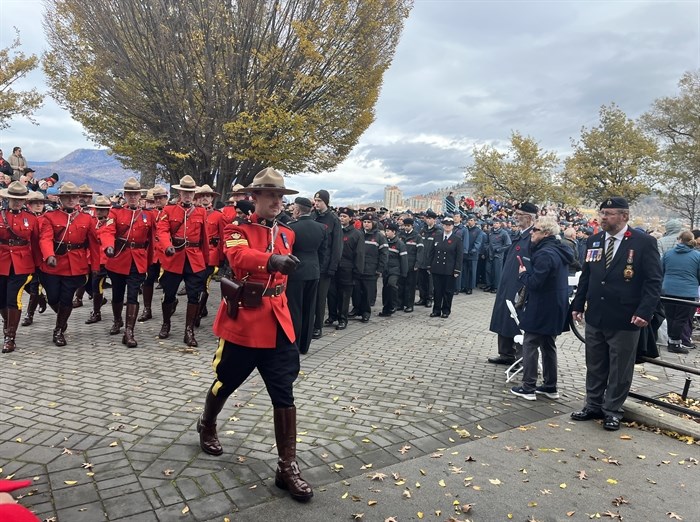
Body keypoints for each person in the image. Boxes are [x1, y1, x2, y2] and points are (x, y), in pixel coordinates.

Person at [198, 167, 313, 502]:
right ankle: (207, 424)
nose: (277, 201)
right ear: (256, 198)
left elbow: (284, 278)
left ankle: (286, 466)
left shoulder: (288, 234)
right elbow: (238, 256)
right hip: (244, 323)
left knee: (284, 392)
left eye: (281, 196)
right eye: (270, 195)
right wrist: (272, 260)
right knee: (226, 381)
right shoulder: (237, 229)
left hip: (277, 322)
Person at [571, 197, 662, 431]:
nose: (603, 217)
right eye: (602, 212)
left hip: (626, 316)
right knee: (595, 364)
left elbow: (653, 281)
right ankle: (592, 405)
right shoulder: (594, 240)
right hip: (596, 315)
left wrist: (645, 311)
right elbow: (587, 276)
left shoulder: (643, 242)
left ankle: (612, 410)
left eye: (609, 213)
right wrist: (578, 304)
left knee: (620, 368)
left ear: (624, 216)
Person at [509, 216, 573, 401]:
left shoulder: (545, 253)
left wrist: (523, 275)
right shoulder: (559, 249)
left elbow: (536, 282)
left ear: (546, 233)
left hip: (543, 306)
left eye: (535, 230)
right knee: (548, 345)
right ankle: (550, 386)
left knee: (530, 343)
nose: (531, 232)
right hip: (556, 305)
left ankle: (528, 387)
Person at [38, 182, 100, 346]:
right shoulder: (49, 217)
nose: (71, 200)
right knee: (53, 297)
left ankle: (59, 329)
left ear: (78, 198)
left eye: (74, 197)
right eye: (67, 197)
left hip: (75, 264)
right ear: (61, 199)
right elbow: (45, 238)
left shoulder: (87, 219)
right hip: (54, 264)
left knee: (66, 299)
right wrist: (49, 255)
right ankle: (62, 318)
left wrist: (95, 266)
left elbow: (94, 244)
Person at [101, 178, 156, 347]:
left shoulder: (148, 215)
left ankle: (129, 332)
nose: (133, 197)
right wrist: (108, 246)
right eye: (129, 194)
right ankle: (118, 320)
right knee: (117, 293)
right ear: (125, 195)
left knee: (132, 294)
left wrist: (150, 262)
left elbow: (151, 240)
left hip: (137, 259)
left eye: (135, 194)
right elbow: (108, 231)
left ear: (140, 196)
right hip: (119, 258)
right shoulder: (115, 212)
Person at [156, 175, 209, 347]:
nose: (187, 195)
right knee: (169, 294)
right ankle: (166, 323)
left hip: (194, 259)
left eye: (190, 192)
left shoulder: (201, 211)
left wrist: (206, 261)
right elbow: (162, 231)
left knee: (194, 296)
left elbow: (205, 239)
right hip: (174, 257)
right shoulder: (169, 211)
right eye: (185, 192)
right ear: (180, 192)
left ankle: (189, 330)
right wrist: (167, 246)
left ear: (194, 194)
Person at [487, 202, 538, 365]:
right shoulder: (518, 235)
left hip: (520, 285)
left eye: (519, 214)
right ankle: (505, 353)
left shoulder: (533, 237)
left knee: (517, 319)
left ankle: (520, 357)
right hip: (507, 283)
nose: (515, 217)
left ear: (529, 218)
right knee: (504, 317)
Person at [0, 182, 40, 353]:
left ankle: (10, 337)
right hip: (2, 260)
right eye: (14, 199)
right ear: (8, 199)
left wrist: (39, 265)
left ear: (25, 200)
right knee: (1, 299)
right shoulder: (1, 216)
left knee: (13, 298)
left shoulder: (31, 219)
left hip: (22, 263)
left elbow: (36, 244)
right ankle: (7, 323)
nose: (17, 202)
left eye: (20, 199)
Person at [287, 197, 329, 354]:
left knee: (295, 308)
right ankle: (305, 345)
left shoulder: (292, 227)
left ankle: (294, 343)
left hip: (296, 271)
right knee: (310, 308)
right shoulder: (321, 228)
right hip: (314, 270)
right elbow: (323, 252)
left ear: (297, 210)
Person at [661, 230, 700, 354]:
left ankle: (671, 341)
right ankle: (675, 343)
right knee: (681, 318)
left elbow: (660, 270)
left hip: (668, 290)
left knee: (670, 317)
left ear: (679, 240)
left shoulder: (668, 254)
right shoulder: (697, 256)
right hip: (687, 292)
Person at [311, 189, 342, 339]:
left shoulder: (333, 219)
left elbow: (337, 246)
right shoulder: (312, 216)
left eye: (319, 201)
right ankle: (309, 325)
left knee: (320, 298)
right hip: (312, 262)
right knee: (310, 297)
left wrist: (332, 266)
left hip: (325, 265)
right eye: (315, 201)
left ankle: (318, 326)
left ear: (326, 202)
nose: (316, 203)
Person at [327, 207, 364, 330]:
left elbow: (359, 254)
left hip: (347, 269)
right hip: (334, 267)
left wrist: (357, 271)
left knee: (344, 296)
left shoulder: (356, 234)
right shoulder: (335, 231)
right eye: (340, 216)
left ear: (350, 218)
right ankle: (332, 316)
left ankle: (343, 319)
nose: (342, 218)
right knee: (331, 293)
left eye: (344, 216)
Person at [194, 184, 225, 326]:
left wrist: (222, 258)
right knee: (195, 284)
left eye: (207, 195)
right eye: (202, 196)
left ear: (212, 198)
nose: (205, 198)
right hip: (195, 253)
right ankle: (201, 307)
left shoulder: (219, 216)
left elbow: (223, 237)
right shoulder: (193, 213)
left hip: (211, 254)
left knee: (203, 284)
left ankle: (197, 315)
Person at [138, 185, 169, 322]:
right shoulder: (147, 213)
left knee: (167, 282)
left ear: (166, 198)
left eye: (160, 198)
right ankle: (147, 309)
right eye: (154, 199)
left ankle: (170, 302)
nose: (157, 201)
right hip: (152, 252)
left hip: (166, 252)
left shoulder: (172, 211)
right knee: (148, 280)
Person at [20, 191, 48, 327]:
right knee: (23, 283)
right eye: (35, 203)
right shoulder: (24, 217)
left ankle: (29, 314)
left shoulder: (47, 219)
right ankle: (41, 298)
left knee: (35, 285)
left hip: (40, 257)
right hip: (23, 256)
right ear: (28, 204)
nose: (38, 205)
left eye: (41, 202)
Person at [84, 196, 112, 325]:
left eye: (103, 209)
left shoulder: (111, 222)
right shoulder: (91, 221)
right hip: (92, 257)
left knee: (97, 285)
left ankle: (96, 312)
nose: (100, 212)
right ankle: (99, 302)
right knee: (86, 284)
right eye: (98, 209)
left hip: (106, 258)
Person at [429, 216, 463, 318]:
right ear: (442, 225)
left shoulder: (457, 239)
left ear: (453, 226)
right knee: (437, 291)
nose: (447, 227)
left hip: (449, 270)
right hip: (437, 268)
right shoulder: (437, 236)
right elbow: (431, 253)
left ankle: (446, 310)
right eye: (445, 225)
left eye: (449, 225)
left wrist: (457, 269)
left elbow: (459, 256)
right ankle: (436, 310)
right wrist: (430, 265)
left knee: (448, 291)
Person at [357, 213, 388, 322]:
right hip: (358, 268)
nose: (366, 224)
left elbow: (384, 254)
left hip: (371, 269)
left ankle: (366, 312)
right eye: (364, 222)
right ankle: (357, 309)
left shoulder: (379, 236)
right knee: (356, 291)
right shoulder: (359, 234)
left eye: (369, 222)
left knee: (367, 292)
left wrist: (380, 269)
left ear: (374, 223)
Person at [379, 222, 407, 317]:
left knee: (391, 285)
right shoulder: (384, 241)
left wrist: (404, 273)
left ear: (394, 232)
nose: (386, 233)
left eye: (388, 231)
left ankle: (394, 304)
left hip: (395, 270)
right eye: (386, 231)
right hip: (385, 269)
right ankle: (386, 308)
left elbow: (404, 259)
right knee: (385, 288)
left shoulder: (400, 244)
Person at [398, 217, 423, 312]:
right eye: (405, 226)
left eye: (408, 226)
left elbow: (420, 252)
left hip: (412, 264)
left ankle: (409, 305)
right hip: (401, 264)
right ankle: (400, 304)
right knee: (400, 284)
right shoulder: (400, 235)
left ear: (412, 226)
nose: (406, 228)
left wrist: (417, 264)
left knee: (410, 286)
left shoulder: (417, 237)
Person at [416, 210, 440, 306]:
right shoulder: (422, 230)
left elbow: (437, 248)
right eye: (427, 218)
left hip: (430, 260)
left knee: (430, 282)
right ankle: (422, 298)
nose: (428, 220)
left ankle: (429, 298)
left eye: (430, 218)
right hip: (422, 260)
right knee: (421, 281)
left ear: (434, 219)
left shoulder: (437, 232)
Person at [484, 219, 511, 293]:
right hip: (489, 253)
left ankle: (496, 287)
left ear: (500, 224)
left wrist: (499, 250)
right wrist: (487, 249)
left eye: (497, 223)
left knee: (497, 271)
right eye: (494, 223)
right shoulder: (490, 232)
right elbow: (486, 242)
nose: (495, 224)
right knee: (488, 270)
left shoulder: (504, 233)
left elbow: (508, 244)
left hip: (498, 255)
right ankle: (489, 285)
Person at [462, 216, 484, 294]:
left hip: (472, 254)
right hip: (465, 253)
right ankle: (464, 286)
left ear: (475, 221)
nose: (469, 221)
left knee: (472, 272)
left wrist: (473, 250)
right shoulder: (465, 229)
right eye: (468, 220)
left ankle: (470, 287)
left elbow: (478, 242)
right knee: (464, 270)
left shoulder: (478, 231)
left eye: (471, 220)